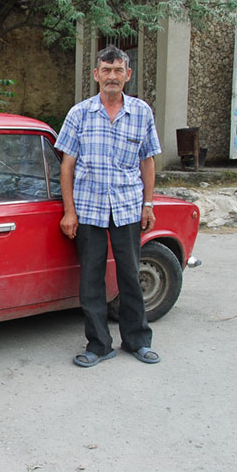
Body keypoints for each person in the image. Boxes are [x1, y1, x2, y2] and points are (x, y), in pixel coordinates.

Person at [54, 45, 162, 368]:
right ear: (96, 75)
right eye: (106, 70)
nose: (112, 76)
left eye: (118, 71)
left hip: (128, 207)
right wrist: (69, 211)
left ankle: (137, 340)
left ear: (127, 75)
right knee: (91, 278)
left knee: (130, 275)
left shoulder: (141, 112)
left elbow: (148, 162)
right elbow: (67, 166)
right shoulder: (80, 113)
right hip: (88, 209)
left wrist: (149, 204)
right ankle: (99, 344)